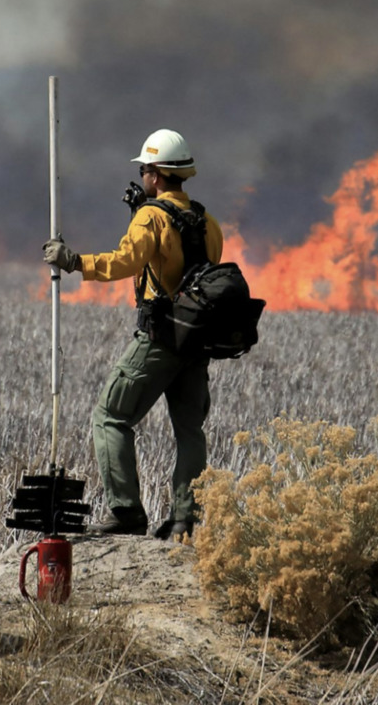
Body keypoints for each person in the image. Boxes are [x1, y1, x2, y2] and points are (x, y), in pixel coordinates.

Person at [43, 129, 224, 540]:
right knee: (190, 430)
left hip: (159, 338)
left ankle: (126, 512)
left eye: (144, 168)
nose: (142, 174)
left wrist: (72, 261)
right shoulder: (208, 221)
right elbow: (193, 268)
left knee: (109, 417)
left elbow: (127, 261)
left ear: (157, 174)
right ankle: (184, 519)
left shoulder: (152, 217)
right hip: (195, 341)